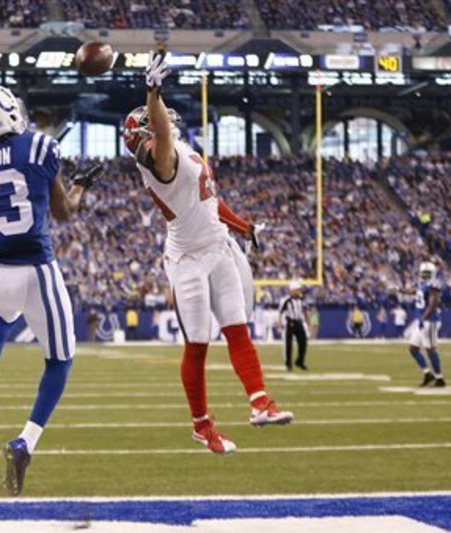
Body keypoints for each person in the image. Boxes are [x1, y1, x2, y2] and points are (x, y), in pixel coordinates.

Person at [122, 51, 292, 455]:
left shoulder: (185, 152)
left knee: (237, 328)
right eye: (153, 124)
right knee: (197, 344)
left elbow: (211, 201)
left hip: (218, 247)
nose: (163, 124)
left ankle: (260, 403)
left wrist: (243, 227)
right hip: (187, 258)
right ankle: (201, 425)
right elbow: (161, 136)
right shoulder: (158, 162)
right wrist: (152, 93)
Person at [0, 84, 103, 496]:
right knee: (60, 360)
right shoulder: (39, 148)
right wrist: (81, 186)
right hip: (36, 268)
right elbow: (64, 212)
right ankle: (24, 442)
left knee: (3, 316)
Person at [405, 262, 445, 387]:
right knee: (413, 348)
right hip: (422, 321)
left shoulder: (433, 285)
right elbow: (413, 292)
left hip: (430, 321)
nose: (425, 275)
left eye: (428, 273)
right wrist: (398, 290)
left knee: (430, 349)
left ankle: (439, 378)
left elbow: (433, 304)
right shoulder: (422, 285)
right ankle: (428, 374)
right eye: (424, 272)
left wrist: (423, 318)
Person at [279, 282, 309, 370]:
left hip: (299, 322)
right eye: (297, 289)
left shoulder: (302, 300)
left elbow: (306, 310)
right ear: (293, 290)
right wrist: (280, 322)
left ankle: (300, 361)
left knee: (303, 343)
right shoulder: (287, 301)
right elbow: (281, 312)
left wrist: (308, 322)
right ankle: (288, 363)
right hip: (290, 323)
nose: (299, 291)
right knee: (289, 344)